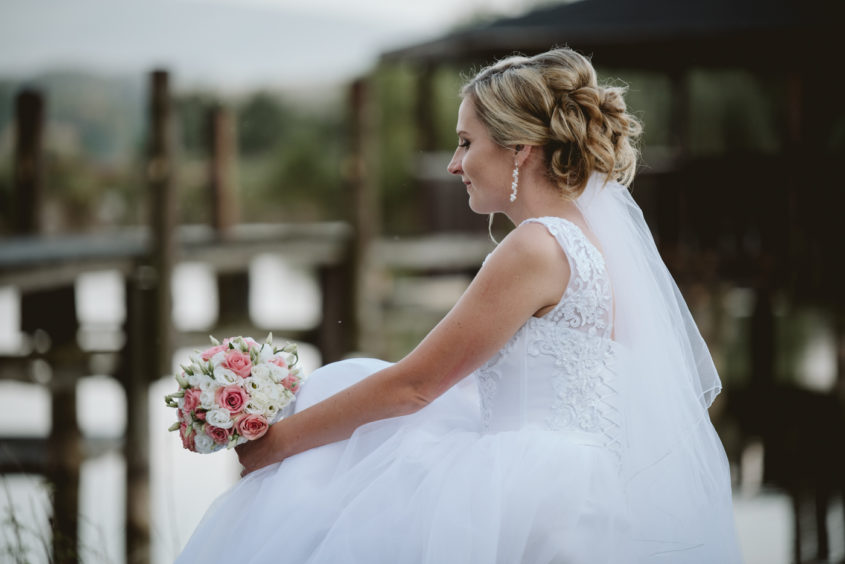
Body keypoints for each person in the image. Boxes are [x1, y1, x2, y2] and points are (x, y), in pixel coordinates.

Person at [176, 47, 741, 563]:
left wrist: (275, 446)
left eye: (466, 142)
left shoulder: (535, 246)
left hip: (521, 492)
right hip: (584, 490)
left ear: (519, 149)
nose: (453, 163)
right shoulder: (593, 246)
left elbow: (414, 386)